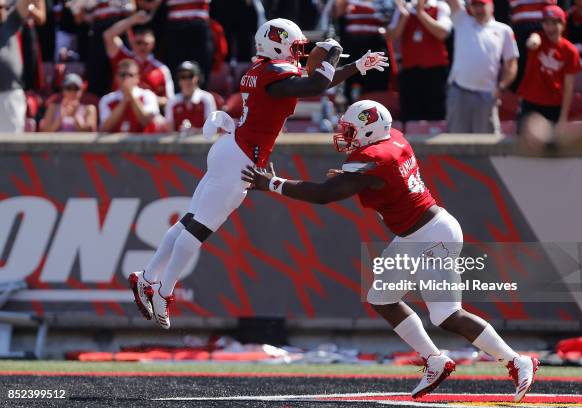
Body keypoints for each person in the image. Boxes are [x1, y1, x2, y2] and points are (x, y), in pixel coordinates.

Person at [241, 99, 539, 402]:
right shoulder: (393, 139)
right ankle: (435, 360)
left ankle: (516, 361)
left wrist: (273, 184)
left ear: (370, 131)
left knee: (446, 314)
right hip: (416, 234)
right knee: (381, 298)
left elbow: (323, 196)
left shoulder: (373, 158)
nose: (347, 136)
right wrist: (350, 180)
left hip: (432, 235)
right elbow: (371, 178)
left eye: (352, 130)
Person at [127, 18, 388, 330]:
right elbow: (316, 84)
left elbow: (313, 83)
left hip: (230, 149)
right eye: (294, 48)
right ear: (276, 45)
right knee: (198, 229)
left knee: (189, 220)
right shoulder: (275, 72)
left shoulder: (263, 71)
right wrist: (330, 56)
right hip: (240, 158)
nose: (298, 54)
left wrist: (356, 65)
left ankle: (148, 277)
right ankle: (163, 292)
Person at [446, 0, 519, 134]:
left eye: (482, 5)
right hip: (459, 91)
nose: (479, 9)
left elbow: (512, 63)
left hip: (487, 95)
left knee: (486, 144)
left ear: (491, 6)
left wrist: (501, 87)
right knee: (456, 142)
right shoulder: (462, 19)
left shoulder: (504, 30)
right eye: (475, 5)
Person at [386, 0, 452, 123]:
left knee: (437, 114)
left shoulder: (440, 7)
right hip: (411, 72)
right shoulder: (404, 9)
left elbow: (442, 33)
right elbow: (390, 36)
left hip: (436, 72)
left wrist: (420, 13)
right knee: (411, 115)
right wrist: (404, 17)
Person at [517, 5, 581, 126]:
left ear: (563, 25)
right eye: (546, 23)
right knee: (524, 141)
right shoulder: (538, 37)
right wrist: (532, 42)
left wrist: (563, 117)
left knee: (551, 143)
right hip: (530, 103)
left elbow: (569, 86)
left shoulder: (570, 51)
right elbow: (533, 40)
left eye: (555, 23)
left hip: (554, 106)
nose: (550, 27)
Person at [104, 11, 174, 108]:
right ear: (132, 43)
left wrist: (146, 98)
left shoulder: (161, 69)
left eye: (146, 43)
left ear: (153, 44)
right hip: (119, 112)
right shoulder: (122, 57)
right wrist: (133, 20)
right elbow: (108, 35)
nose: (142, 47)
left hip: (147, 114)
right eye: (138, 42)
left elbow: (170, 101)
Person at [335, 0, 394, 103]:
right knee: (350, 78)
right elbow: (337, 14)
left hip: (374, 45)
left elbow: (389, 22)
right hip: (352, 46)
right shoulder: (348, 2)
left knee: (375, 83)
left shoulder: (384, 3)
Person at [0, 0, 40, 132]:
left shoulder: (10, 21)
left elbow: (26, 3)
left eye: (2, 7)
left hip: (10, 94)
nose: (1, 10)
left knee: (12, 145)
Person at [99, 58, 162, 132]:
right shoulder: (107, 99)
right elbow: (105, 127)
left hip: (143, 142)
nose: (126, 78)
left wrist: (131, 96)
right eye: (123, 75)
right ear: (116, 77)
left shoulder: (148, 95)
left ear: (137, 78)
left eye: (130, 75)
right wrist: (124, 101)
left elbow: (145, 120)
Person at [165, 61, 216, 133]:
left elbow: (212, 129)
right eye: (183, 77)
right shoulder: (172, 101)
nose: (187, 80)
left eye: (190, 76)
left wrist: (192, 132)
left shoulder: (207, 98)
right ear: (179, 80)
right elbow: (169, 131)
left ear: (197, 77)